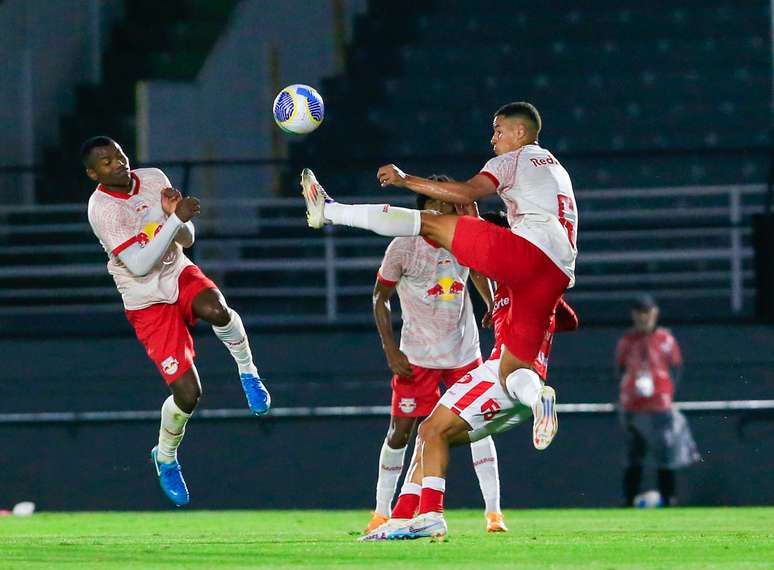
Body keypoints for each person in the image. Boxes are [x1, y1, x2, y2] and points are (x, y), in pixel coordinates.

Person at [303, 101, 578, 539]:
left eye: (498, 130)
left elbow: (468, 193)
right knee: (511, 375)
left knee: (428, 224)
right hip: (556, 275)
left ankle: (329, 210)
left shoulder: (513, 159)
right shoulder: (556, 172)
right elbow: (565, 317)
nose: (493, 138)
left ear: (521, 133)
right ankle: (537, 401)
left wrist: (404, 178)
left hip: (529, 257)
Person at [363, 211, 578, 541]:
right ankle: (405, 517)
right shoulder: (540, 280)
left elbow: (477, 241)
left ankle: (429, 516)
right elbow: (569, 321)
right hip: (524, 396)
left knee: (431, 428)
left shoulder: (511, 268)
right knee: (434, 436)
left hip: (502, 375)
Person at [83, 136, 271, 507]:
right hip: (145, 299)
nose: (118, 163)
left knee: (218, 309)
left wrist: (176, 219)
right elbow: (138, 264)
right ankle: (165, 456)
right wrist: (174, 220)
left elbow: (186, 239)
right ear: (93, 174)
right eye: (105, 162)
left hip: (177, 271)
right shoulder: (102, 209)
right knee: (189, 394)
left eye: (118, 155)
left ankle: (248, 372)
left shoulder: (152, 178)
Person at [367, 180, 507, 535]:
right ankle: (382, 512)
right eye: (438, 204)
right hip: (417, 354)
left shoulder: (462, 238)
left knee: (478, 426)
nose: (445, 210)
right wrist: (390, 349)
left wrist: (491, 303)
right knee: (401, 431)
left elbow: (476, 269)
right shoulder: (402, 247)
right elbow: (380, 297)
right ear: (423, 210)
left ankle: (493, 514)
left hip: (463, 351)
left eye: (448, 203)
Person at [615, 295, 700, 507]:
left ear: (655, 313)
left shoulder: (665, 339)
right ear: (634, 315)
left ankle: (668, 498)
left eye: (648, 312)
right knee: (634, 455)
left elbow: (677, 368)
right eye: (640, 313)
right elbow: (619, 369)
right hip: (633, 406)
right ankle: (628, 500)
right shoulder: (627, 341)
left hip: (659, 407)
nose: (644, 317)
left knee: (666, 453)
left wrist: (666, 391)